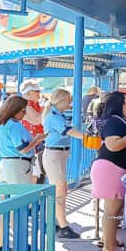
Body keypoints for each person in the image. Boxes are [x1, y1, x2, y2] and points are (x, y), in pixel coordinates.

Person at [91, 91, 126, 251]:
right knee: (112, 209)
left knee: (114, 209)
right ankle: (109, 248)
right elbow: (113, 145)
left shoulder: (118, 121)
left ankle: (109, 239)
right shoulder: (114, 122)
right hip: (112, 168)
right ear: (120, 104)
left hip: (114, 168)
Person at [42, 88, 88, 240]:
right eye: (69, 100)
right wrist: (88, 138)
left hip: (59, 153)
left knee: (58, 189)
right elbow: (69, 131)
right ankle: (63, 226)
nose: (70, 103)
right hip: (54, 154)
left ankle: (52, 221)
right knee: (61, 189)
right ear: (61, 100)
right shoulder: (54, 115)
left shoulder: (57, 114)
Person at [0, 95, 44, 184]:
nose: (24, 114)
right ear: (15, 110)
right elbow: (23, 149)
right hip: (17, 166)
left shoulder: (0, 125)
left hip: (5, 164)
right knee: (21, 196)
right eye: (23, 111)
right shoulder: (15, 125)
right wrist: (37, 139)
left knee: (6, 196)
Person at [20, 82, 45, 183]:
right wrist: (46, 108)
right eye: (37, 91)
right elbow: (37, 120)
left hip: (36, 142)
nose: (39, 94)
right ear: (29, 92)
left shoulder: (34, 105)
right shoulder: (26, 105)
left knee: (39, 174)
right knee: (35, 175)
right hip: (31, 144)